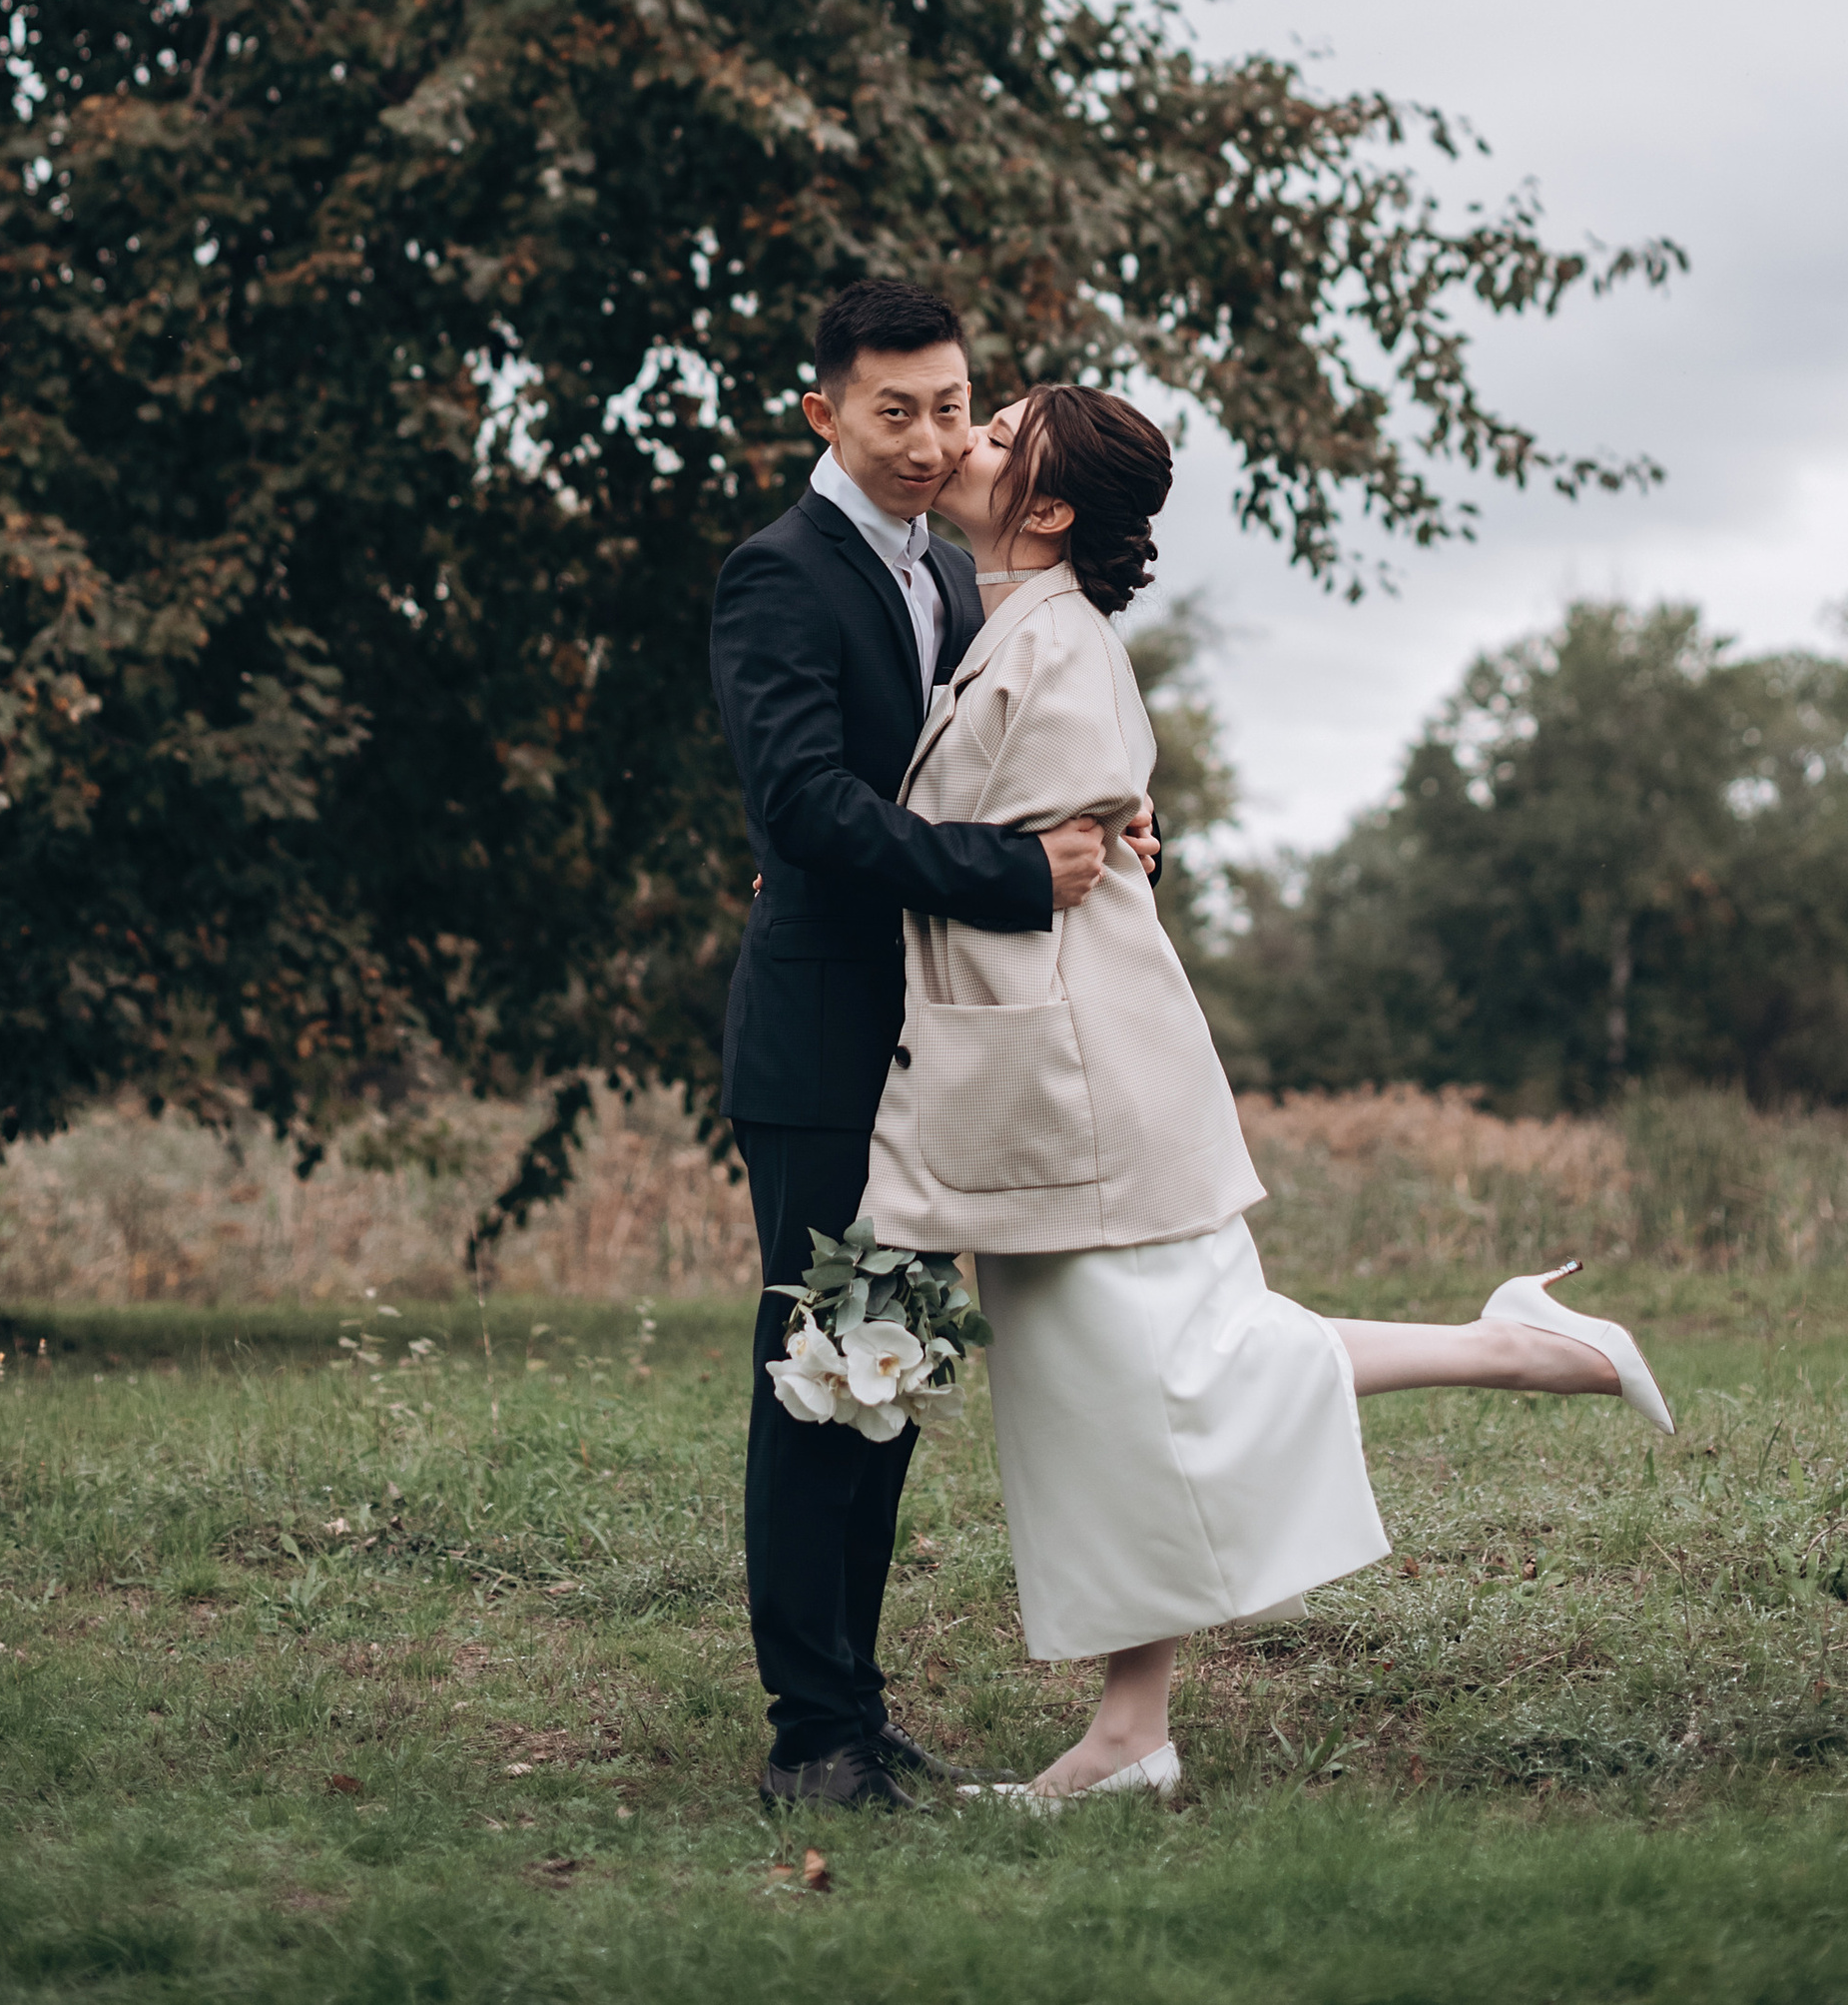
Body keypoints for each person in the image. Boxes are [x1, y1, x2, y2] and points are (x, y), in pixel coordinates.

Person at [863, 385, 1674, 1805]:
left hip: (1084, 1085)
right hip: (1057, 1080)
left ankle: (1514, 1348)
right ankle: (1132, 1729)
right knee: (1123, 1396)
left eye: (994, 435)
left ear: (1048, 508)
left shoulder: (1058, 650)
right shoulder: (1002, 619)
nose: (960, 443)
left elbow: (1001, 850)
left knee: (1188, 1370)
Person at [710, 280, 1161, 1814]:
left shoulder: (964, 585)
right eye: (894, 410)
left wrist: (1110, 817)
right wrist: (1019, 874)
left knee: (884, 1383)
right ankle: (805, 1739)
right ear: (825, 407)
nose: (931, 438)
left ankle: (860, 1708)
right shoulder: (777, 576)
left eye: (954, 406)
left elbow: (997, 763)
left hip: (939, 1060)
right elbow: (811, 816)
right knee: (812, 1380)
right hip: (827, 1049)